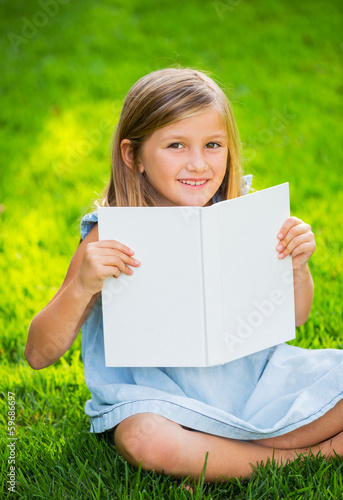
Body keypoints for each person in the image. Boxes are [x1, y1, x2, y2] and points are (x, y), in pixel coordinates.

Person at [25, 67, 343, 483]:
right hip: (162, 404)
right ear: (132, 155)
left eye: (213, 145)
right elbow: (38, 353)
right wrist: (83, 285)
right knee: (143, 439)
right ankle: (294, 456)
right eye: (176, 145)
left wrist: (297, 268)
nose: (198, 164)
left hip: (256, 385)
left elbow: (296, 318)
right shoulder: (109, 237)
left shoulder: (243, 217)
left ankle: (232, 454)